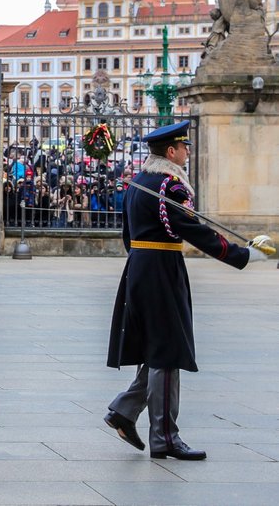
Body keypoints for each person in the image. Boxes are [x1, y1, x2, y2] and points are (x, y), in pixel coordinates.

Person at [104, 120, 274, 461]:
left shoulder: (140, 181)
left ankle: (124, 409)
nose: (188, 151)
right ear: (171, 151)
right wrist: (244, 254)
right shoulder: (170, 185)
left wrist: (142, 262)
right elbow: (193, 231)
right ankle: (165, 436)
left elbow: (128, 234)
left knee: (160, 348)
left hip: (140, 266)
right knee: (167, 352)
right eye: (184, 147)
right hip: (162, 270)